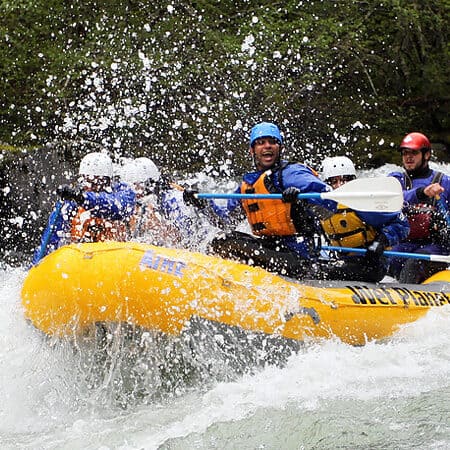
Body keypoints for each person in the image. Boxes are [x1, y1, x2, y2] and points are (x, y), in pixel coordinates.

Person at [183, 121, 334, 278]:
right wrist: (202, 205)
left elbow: (329, 203)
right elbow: (225, 221)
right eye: (261, 143)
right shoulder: (249, 185)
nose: (267, 146)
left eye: (272, 142)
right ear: (252, 151)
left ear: (280, 148)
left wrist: (301, 200)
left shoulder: (292, 174)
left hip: (300, 258)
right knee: (221, 239)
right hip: (273, 250)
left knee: (226, 242)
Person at [314, 156, 410, 282]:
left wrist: (380, 242)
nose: (340, 186)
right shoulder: (323, 206)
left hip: (371, 263)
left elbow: (402, 225)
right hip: (342, 259)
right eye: (334, 181)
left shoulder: (365, 203)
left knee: (328, 273)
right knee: (313, 269)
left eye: (345, 180)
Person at [32, 152, 136, 264]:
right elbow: (50, 241)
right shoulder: (70, 204)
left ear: (108, 181)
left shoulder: (123, 193)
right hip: (84, 261)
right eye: (88, 181)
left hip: (117, 257)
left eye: (97, 181)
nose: (91, 186)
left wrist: (83, 198)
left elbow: (117, 208)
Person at [387, 132, 450, 283]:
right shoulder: (396, 179)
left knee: (413, 265)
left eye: (414, 153)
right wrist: (422, 193)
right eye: (405, 153)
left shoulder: (444, 182)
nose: (408, 157)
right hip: (405, 243)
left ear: (426, 155)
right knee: (388, 260)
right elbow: (393, 197)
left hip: (435, 245)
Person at [119, 157, 188, 246]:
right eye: (131, 186)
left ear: (150, 184)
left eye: (137, 185)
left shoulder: (172, 200)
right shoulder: (132, 202)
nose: (134, 190)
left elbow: (182, 237)